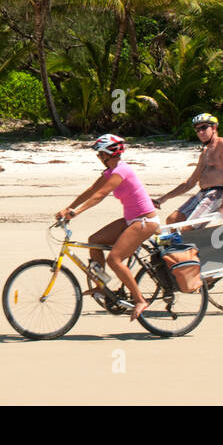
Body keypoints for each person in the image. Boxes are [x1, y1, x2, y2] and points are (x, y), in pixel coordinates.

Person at [54, 134, 159, 320]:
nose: (98, 157)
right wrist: (69, 207)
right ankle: (101, 286)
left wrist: (76, 213)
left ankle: (140, 300)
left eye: (100, 153)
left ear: (110, 153)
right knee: (94, 242)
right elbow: (91, 191)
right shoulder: (109, 173)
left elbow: (100, 195)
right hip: (131, 220)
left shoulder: (122, 171)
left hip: (145, 221)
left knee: (114, 260)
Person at [155, 113, 223, 224]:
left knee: (188, 226)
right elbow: (190, 183)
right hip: (202, 193)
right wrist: (163, 199)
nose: (200, 132)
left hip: (218, 193)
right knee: (172, 220)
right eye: (197, 130)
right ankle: (177, 241)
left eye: (203, 128)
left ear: (214, 128)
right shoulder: (205, 153)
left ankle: (186, 238)